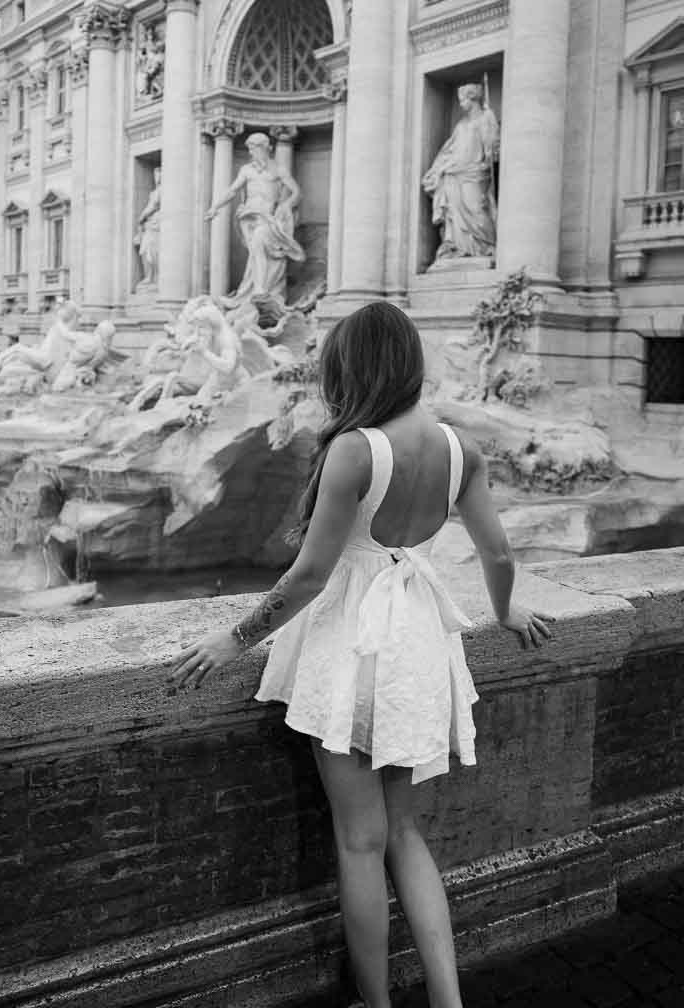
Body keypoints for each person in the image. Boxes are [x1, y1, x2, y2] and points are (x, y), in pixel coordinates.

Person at [171, 301, 553, 1008]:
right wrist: (505, 611)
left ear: (351, 369)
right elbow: (498, 551)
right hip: (415, 644)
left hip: (350, 650)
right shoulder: (458, 448)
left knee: (359, 842)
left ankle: (375, 1005)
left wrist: (232, 640)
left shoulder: (353, 448)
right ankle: (447, 1000)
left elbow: (311, 576)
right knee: (405, 833)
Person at [206, 132, 305, 310]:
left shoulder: (278, 169)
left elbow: (297, 192)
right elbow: (232, 191)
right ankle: (253, 290)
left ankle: (260, 289)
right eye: (250, 149)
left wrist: (286, 205)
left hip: (267, 217)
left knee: (260, 241)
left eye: (254, 148)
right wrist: (216, 207)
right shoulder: (246, 170)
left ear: (265, 148)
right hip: (248, 217)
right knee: (255, 253)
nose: (251, 153)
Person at [422, 83, 499, 262]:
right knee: (454, 212)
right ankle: (458, 247)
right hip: (454, 173)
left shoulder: (486, 117)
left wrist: (492, 148)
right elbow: (449, 150)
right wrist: (438, 169)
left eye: (463, 99)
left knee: (476, 209)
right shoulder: (461, 124)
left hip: (476, 173)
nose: (461, 104)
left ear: (473, 98)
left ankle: (485, 246)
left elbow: (492, 146)